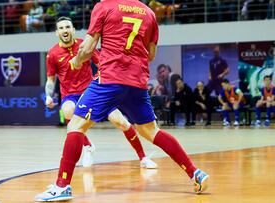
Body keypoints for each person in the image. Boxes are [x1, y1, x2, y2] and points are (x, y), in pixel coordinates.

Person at [35, 1, 209, 201]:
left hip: (109, 79)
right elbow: (151, 54)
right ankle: (195, 172)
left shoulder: (104, 6)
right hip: (137, 81)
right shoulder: (149, 12)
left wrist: (76, 60)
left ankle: (62, 185)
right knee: (151, 131)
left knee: (75, 125)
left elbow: (87, 48)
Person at [45, 16, 157, 168]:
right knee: (68, 111)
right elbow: (51, 80)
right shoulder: (52, 54)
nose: (65, 30)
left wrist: (104, 82)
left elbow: (103, 65)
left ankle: (143, 158)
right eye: (61, 28)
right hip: (71, 95)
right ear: (56, 33)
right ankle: (88, 147)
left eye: (67, 27)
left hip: (93, 92)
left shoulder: (84, 46)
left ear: (73, 30)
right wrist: (48, 96)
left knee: (122, 123)